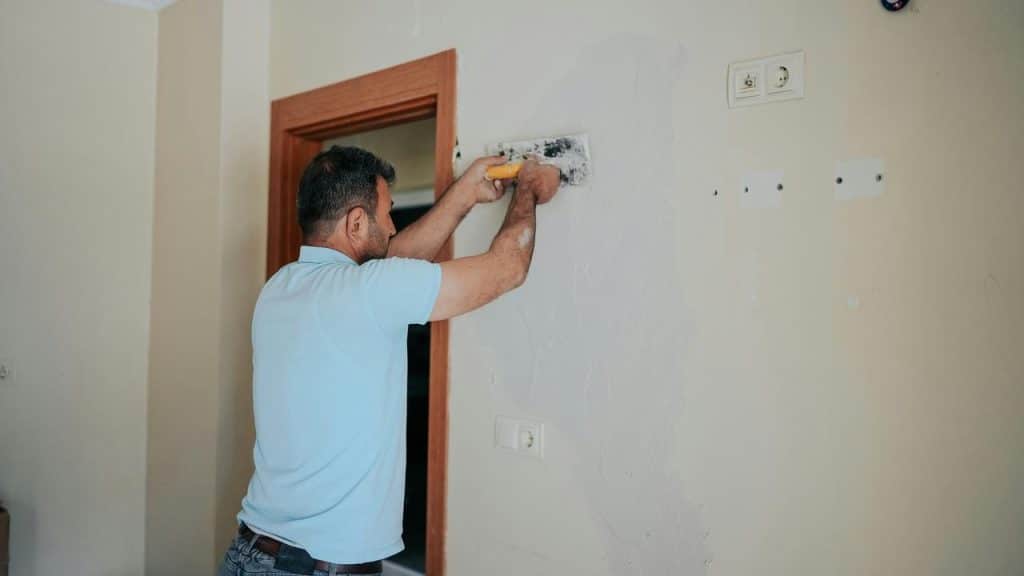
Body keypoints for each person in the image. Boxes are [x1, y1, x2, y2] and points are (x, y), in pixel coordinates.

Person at [218, 146, 561, 576]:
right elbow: (508, 267)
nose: (392, 225)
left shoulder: (278, 290)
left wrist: (465, 195)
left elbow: (395, 262)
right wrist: (528, 188)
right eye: (386, 214)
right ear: (356, 222)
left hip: (250, 554)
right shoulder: (369, 292)